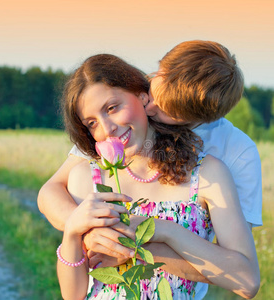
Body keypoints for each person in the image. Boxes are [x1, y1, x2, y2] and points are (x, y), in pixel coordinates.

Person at [53, 53, 259, 299]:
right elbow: (72, 295)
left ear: (142, 95)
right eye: (91, 123)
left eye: (112, 108)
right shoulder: (86, 177)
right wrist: (72, 232)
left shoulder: (208, 174)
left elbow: (246, 281)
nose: (107, 129)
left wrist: (160, 232)